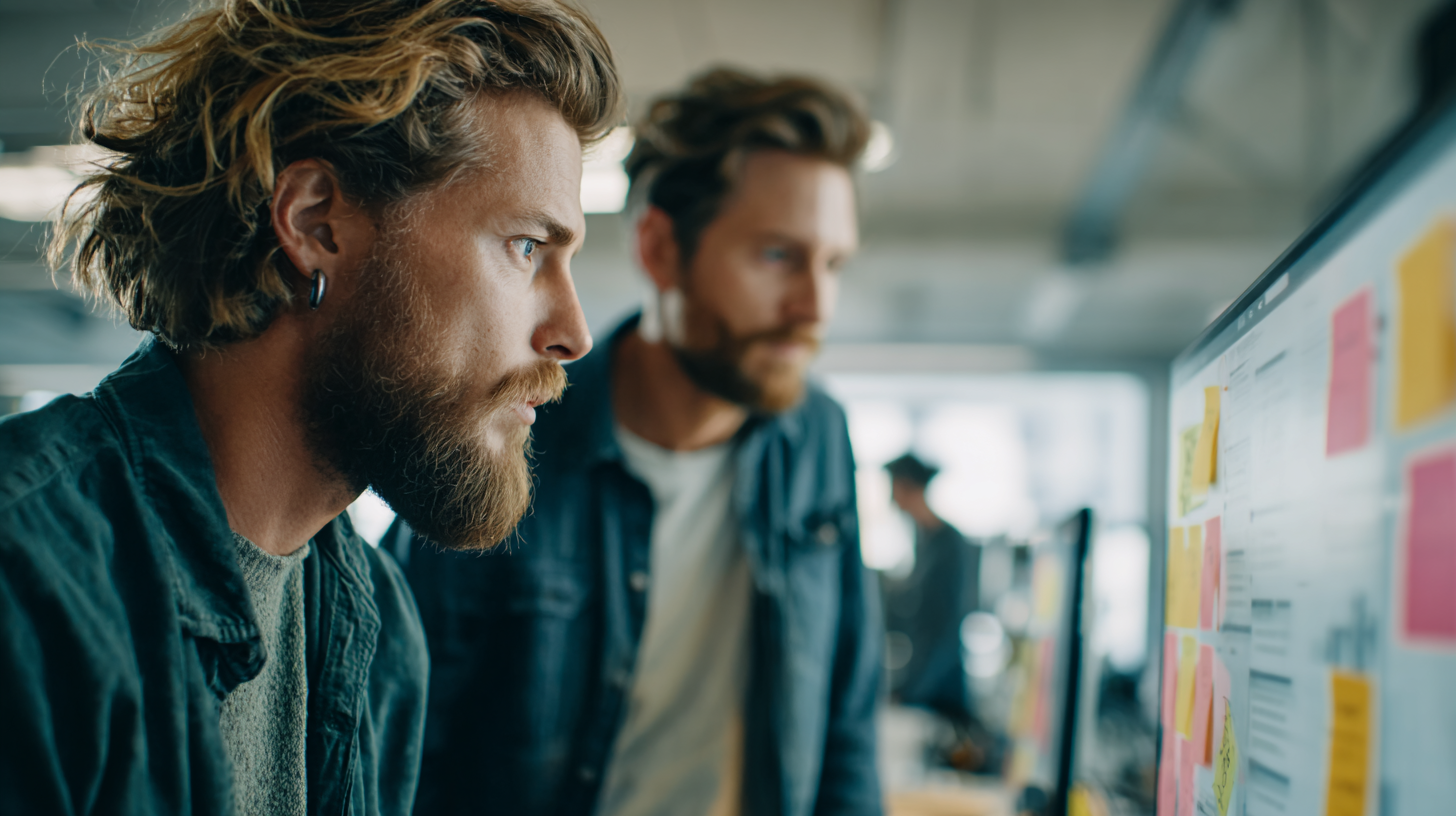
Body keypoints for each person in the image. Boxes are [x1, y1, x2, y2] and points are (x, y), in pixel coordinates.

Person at [0, 1, 620, 814]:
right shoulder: (28, 579)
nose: (572, 333)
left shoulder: (380, 630)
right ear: (314, 222)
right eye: (527, 247)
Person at [390, 68, 883, 815]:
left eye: (833, 264)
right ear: (659, 248)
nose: (815, 305)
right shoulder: (504, 432)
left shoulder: (817, 438)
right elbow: (409, 747)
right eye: (779, 256)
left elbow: (846, 725)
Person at [881, 454, 981, 737]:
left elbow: (946, 629)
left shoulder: (950, 544)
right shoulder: (924, 540)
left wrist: (913, 692)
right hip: (924, 684)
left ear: (907, 487)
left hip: (942, 694)